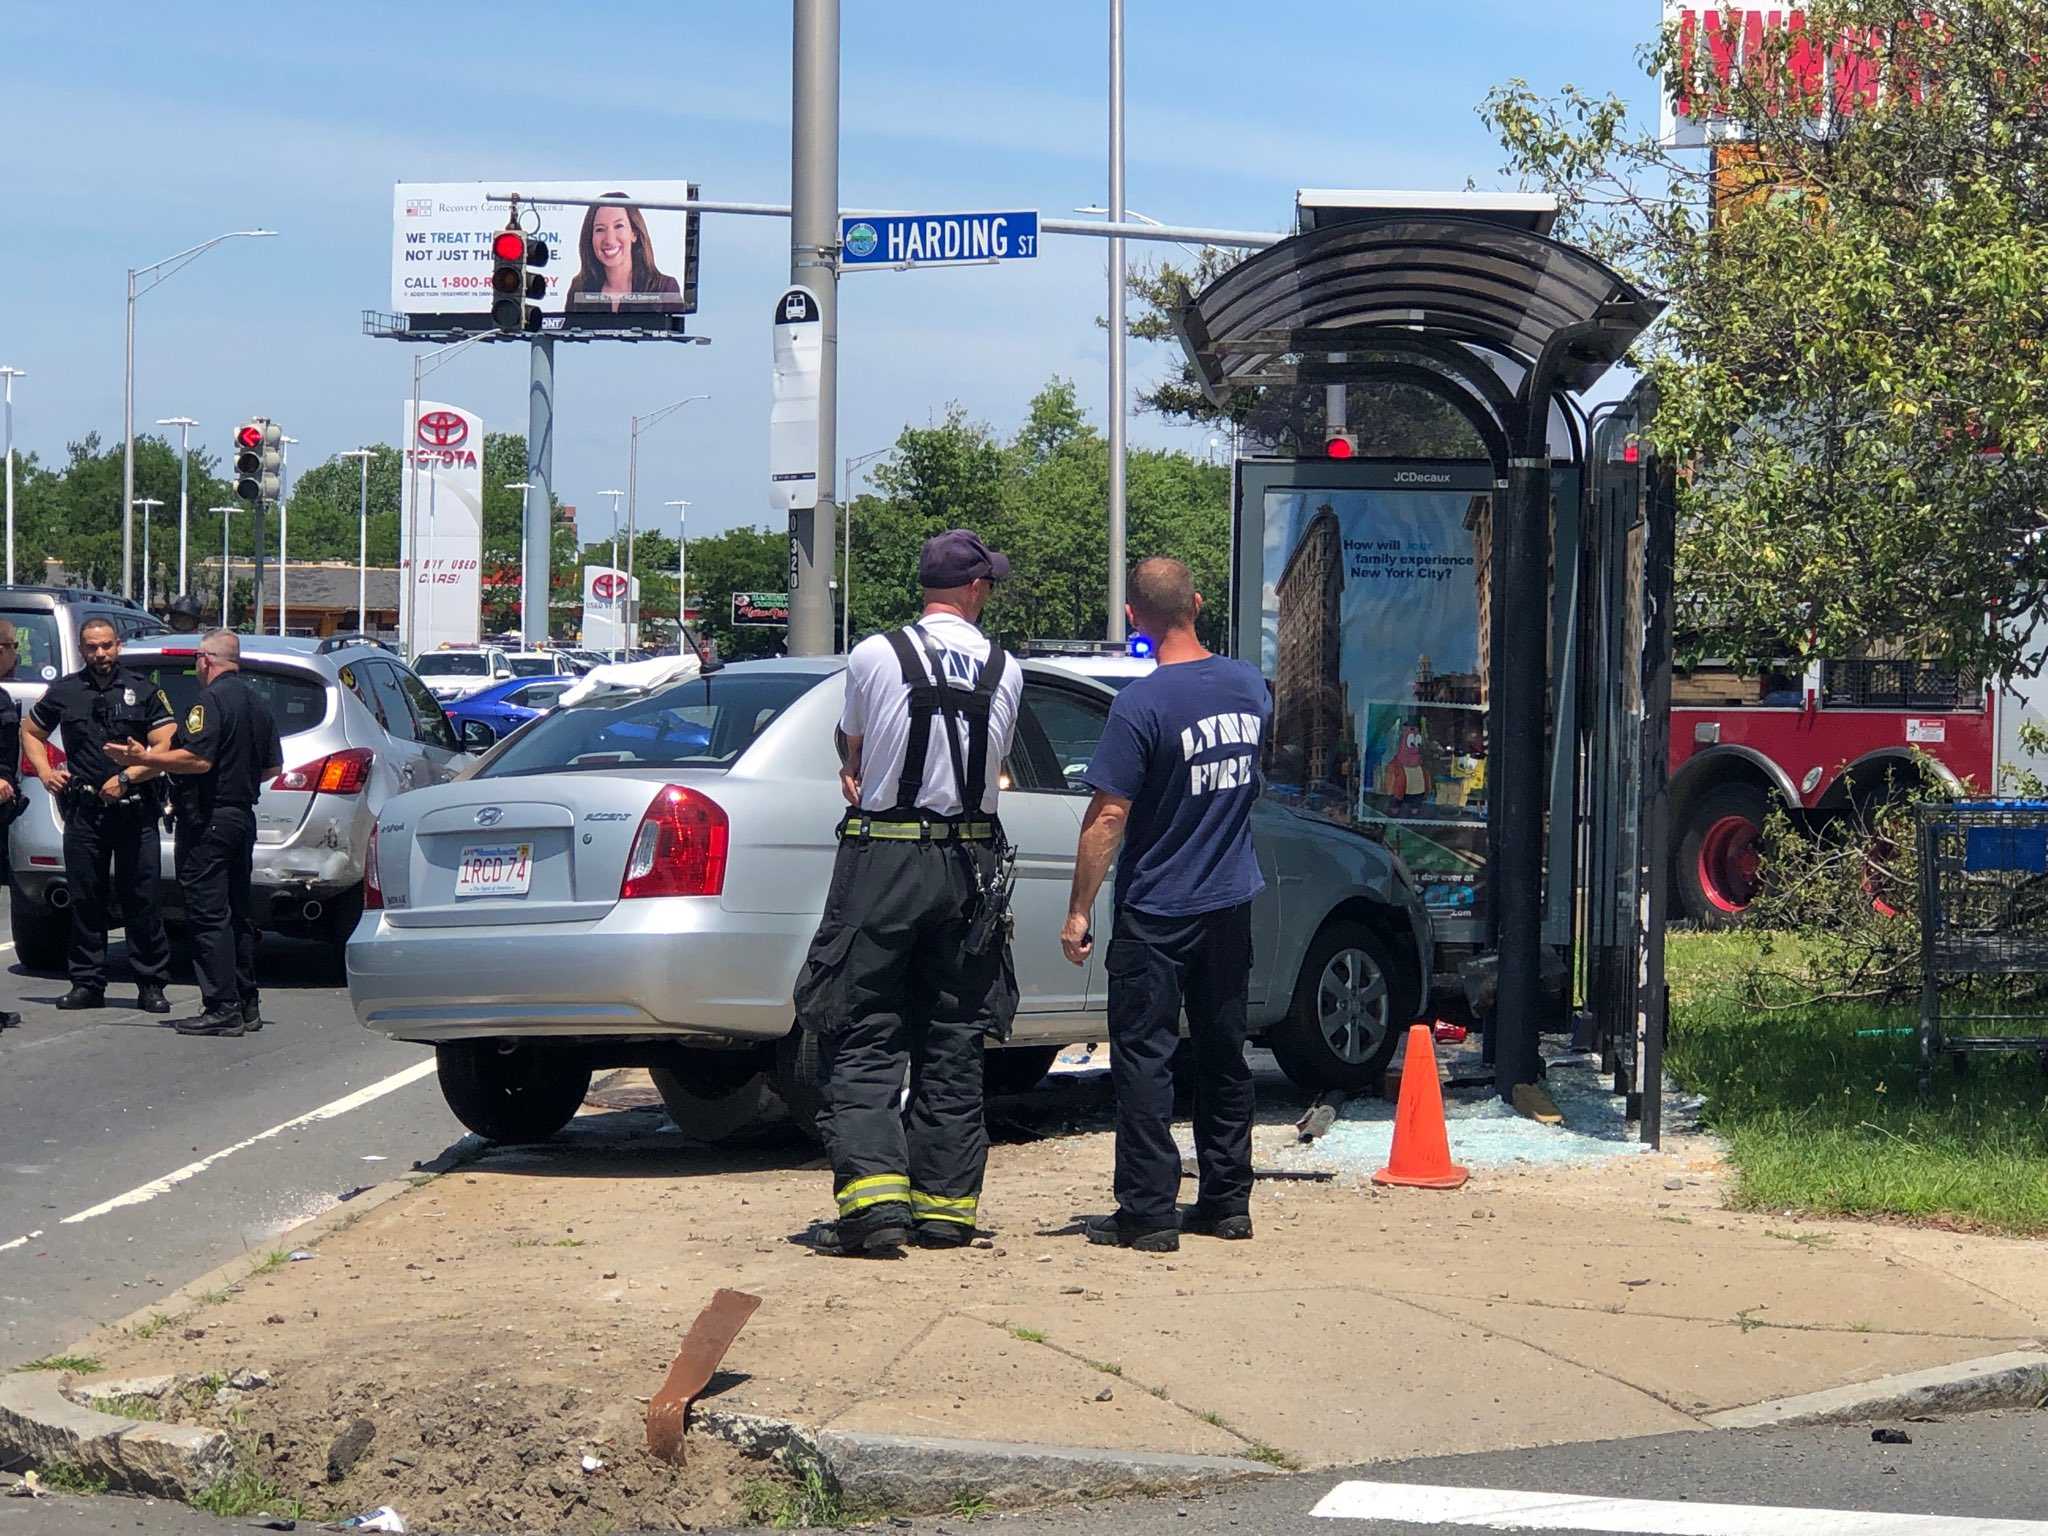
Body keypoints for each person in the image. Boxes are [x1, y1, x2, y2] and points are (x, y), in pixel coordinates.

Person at [793, 530, 1023, 1256]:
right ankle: (948, 1210)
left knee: (864, 1029)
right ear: (976, 589)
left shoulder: (873, 654)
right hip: (971, 869)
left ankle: (874, 1210)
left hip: (885, 862)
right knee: (954, 1035)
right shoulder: (1005, 667)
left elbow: (854, 753)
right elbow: (994, 765)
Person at [1061, 557, 1273, 1253]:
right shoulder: (1249, 688)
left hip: (1157, 910)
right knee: (1223, 1053)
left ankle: (1149, 1214)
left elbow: (1108, 817)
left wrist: (1080, 909)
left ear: (1134, 619)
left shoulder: (1142, 705)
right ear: (1199, 602)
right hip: (1230, 901)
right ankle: (1227, 1201)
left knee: (1145, 1061)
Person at [106, 630, 281, 1038]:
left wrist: (145, 758)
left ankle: (221, 1007)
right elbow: (272, 768)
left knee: (207, 914)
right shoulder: (259, 702)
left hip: (208, 818)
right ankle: (246, 1001)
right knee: (238, 911)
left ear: (205, 660)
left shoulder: (209, 701)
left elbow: (197, 760)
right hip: (240, 817)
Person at [21, 618, 176, 1013]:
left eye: (107, 645)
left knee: (141, 898)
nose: (100, 653)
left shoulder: (143, 690)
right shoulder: (65, 691)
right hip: (85, 811)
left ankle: (151, 985)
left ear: (118, 646)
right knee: (86, 898)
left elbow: (165, 746)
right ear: (82, 648)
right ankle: (87, 983)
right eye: (92, 647)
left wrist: (127, 777)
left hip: (135, 811)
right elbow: (31, 731)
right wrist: (44, 771)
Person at [565, 198, 684, 313]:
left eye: (618, 226)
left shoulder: (664, 288)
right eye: (600, 229)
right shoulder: (579, 289)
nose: (609, 240)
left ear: (634, 233)